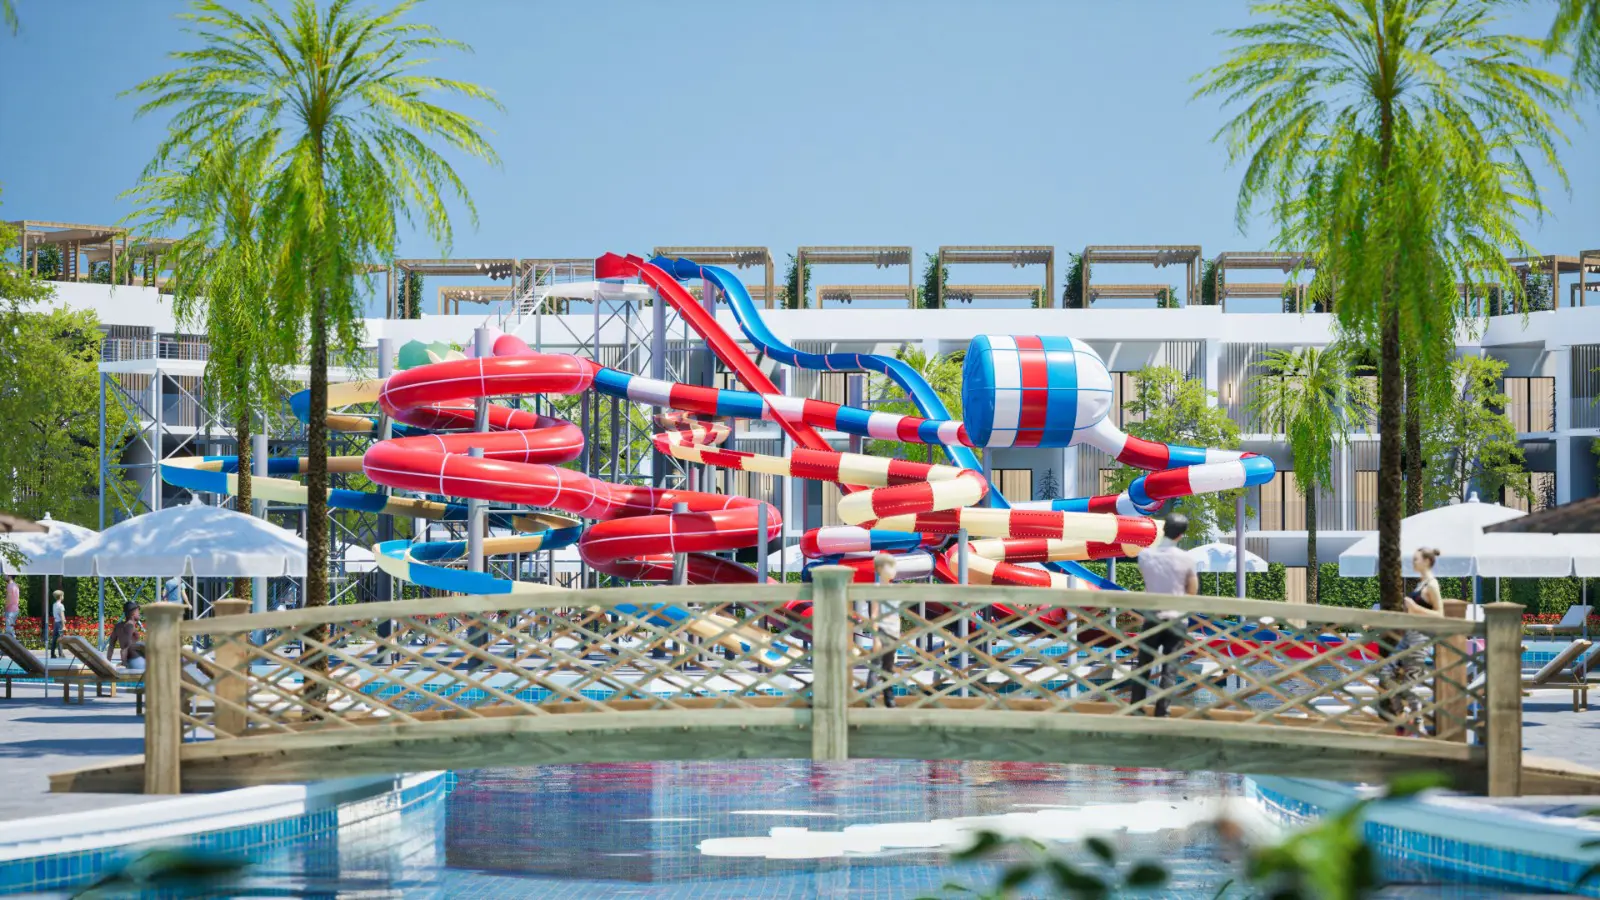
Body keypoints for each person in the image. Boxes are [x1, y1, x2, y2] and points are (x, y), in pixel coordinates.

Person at [1132, 513, 1200, 717]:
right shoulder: (1187, 558)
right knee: (1170, 669)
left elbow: (1148, 580)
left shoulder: (1145, 556)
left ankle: (1136, 708)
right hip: (1176, 618)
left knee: (1143, 665)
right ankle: (1162, 711)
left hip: (1152, 616)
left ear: (1164, 530)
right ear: (1181, 535)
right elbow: (1192, 590)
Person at [1379, 547, 1445, 736]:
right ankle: (1404, 715)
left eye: (1416, 559)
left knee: (1410, 684)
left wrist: (1415, 607)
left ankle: (1417, 725)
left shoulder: (1432, 585)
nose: (1413, 562)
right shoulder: (1420, 584)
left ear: (1427, 561)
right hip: (1409, 636)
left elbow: (1440, 614)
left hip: (1421, 638)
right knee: (1385, 672)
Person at [106, 601, 146, 671]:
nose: (139, 613)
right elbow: (126, 646)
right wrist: (124, 662)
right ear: (133, 613)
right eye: (138, 611)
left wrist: (107, 663)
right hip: (136, 661)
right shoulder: (129, 626)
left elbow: (111, 646)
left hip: (132, 661)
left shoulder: (118, 626)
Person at [48, 589, 66, 658]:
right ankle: (61, 654)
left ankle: (52, 654)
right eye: (63, 595)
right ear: (61, 596)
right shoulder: (61, 605)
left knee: (54, 639)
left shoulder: (54, 605)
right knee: (60, 639)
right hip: (60, 623)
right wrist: (64, 626)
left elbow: (55, 615)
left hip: (55, 623)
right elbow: (62, 616)